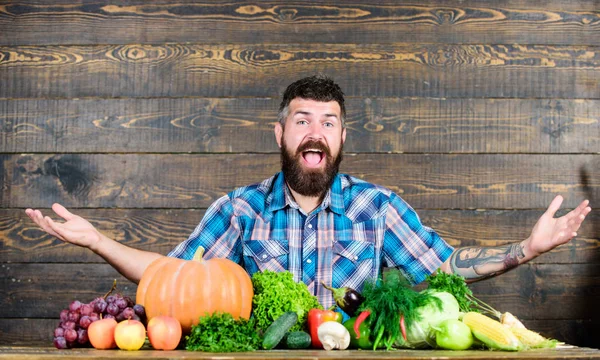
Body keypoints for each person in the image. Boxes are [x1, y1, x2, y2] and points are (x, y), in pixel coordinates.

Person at [25, 75, 591, 309]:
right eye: (302, 120)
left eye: (328, 121)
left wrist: (527, 249)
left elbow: (445, 268)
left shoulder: (378, 208)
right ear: (281, 134)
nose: (315, 131)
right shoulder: (240, 209)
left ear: (342, 137)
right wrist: (97, 239)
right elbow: (170, 273)